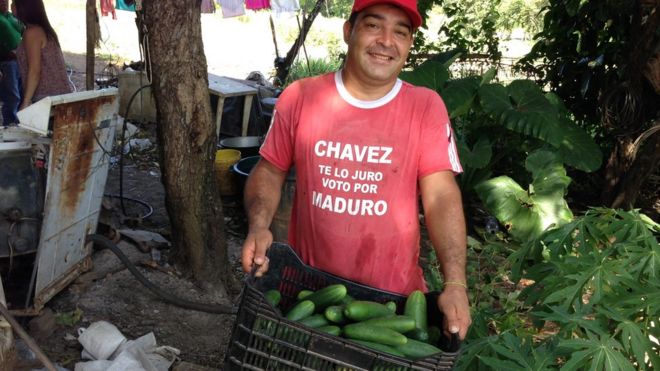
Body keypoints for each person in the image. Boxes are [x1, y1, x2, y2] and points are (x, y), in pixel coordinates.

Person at [241, 0, 472, 340]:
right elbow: (270, 169)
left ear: (409, 44)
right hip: (309, 291)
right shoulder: (301, 97)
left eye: (400, 32)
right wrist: (259, 226)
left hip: (390, 303)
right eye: (373, 25)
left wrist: (455, 283)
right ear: (349, 31)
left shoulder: (425, 108)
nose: (386, 41)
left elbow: (441, 196)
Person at [13, 0, 72, 110]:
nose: (11, 6)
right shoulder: (43, 30)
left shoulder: (32, 32)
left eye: (14, 3)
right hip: (58, 97)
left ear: (24, 8)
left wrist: (26, 102)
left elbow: (35, 71)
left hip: (46, 99)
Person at [0, 0, 22, 126]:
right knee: (12, 97)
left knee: (20, 93)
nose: (3, 2)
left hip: (19, 61)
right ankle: (10, 125)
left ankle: (18, 122)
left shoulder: (10, 16)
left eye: (5, 0)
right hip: (6, 62)